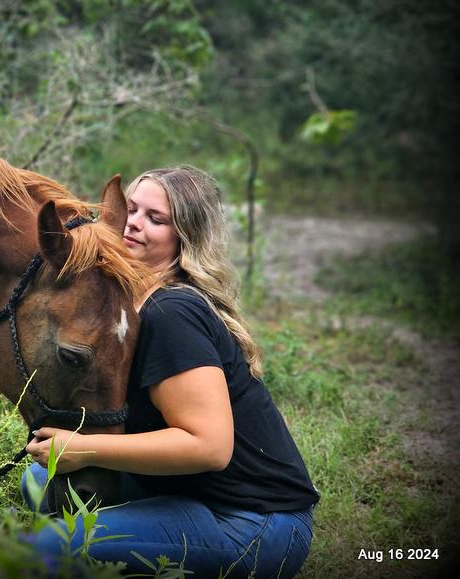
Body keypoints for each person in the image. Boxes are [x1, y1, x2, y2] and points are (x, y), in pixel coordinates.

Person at [22, 166, 319, 578]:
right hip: (185, 492)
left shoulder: (171, 312)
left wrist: (85, 448)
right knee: (37, 480)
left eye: (156, 219)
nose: (133, 224)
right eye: (132, 209)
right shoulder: (127, 304)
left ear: (184, 239)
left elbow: (210, 448)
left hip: (253, 522)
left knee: (51, 545)